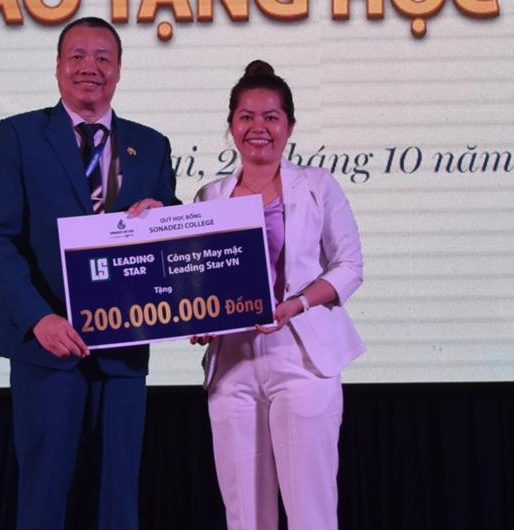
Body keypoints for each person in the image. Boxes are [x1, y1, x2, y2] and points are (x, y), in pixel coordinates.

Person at [0, 17, 179, 530]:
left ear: (119, 69)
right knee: (43, 499)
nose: (90, 67)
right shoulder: (20, 135)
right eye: (78, 56)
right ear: (58, 67)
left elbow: (173, 233)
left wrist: (165, 215)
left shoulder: (151, 145)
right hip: (47, 346)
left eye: (103, 58)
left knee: (119, 501)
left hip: (124, 350)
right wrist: (37, 318)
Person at [191, 60, 365, 530]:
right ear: (231, 125)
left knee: (311, 509)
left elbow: (349, 267)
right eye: (246, 117)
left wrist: (296, 305)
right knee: (244, 514)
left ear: (289, 125)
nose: (259, 128)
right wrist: (199, 318)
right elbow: (198, 278)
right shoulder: (209, 195)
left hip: (302, 359)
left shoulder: (319, 185)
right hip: (232, 364)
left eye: (271, 117)